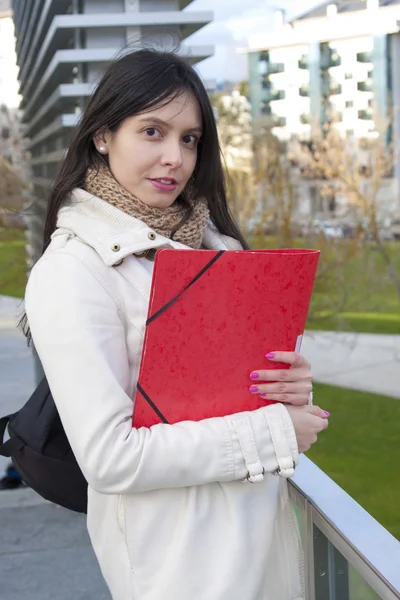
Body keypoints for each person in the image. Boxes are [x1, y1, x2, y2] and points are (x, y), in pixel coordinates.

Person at [24, 48, 329, 600]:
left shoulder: (221, 249)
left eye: (189, 139)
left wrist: (288, 388)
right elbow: (111, 459)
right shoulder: (74, 272)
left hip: (267, 546)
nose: (174, 157)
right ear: (102, 136)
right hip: (183, 567)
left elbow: (236, 395)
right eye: (153, 132)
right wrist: (276, 431)